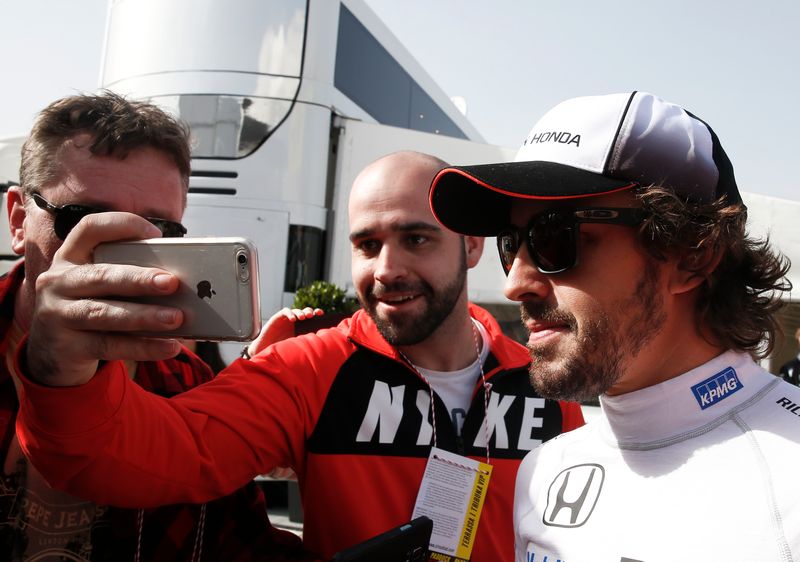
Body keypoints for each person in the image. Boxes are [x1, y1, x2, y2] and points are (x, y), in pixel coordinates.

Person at [12, 150, 584, 561]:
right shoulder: (307, 369)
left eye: (416, 238)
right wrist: (61, 372)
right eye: (367, 244)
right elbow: (129, 458)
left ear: (472, 245)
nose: (386, 269)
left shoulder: (545, 379)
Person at [427, 91, 798, 560]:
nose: (515, 284)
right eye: (510, 243)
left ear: (691, 255)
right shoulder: (543, 470)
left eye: (554, 236)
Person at [1, 92, 310, 561]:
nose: (119, 254)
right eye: (84, 220)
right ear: (19, 220)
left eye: (156, 232)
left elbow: (240, 544)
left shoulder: (188, 386)